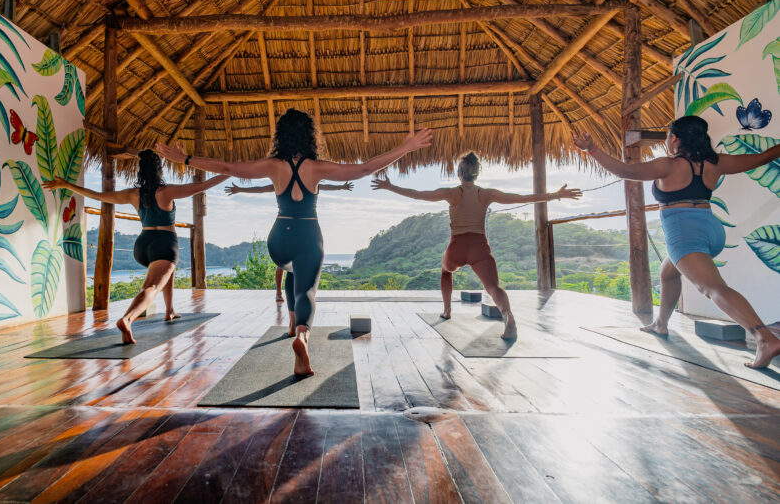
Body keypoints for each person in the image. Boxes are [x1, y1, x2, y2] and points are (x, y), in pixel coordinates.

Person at [155, 108, 432, 375]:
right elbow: (364, 169)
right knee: (306, 291)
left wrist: (186, 159)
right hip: (308, 236)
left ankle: (290, 324)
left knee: (290, 271)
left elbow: (228, 167)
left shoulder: (272, 166)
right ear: (310, 136)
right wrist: (404, 148)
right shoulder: (317, 167)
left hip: (279, 241)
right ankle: (302, 335)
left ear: (282, 136)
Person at [573, 116, 780, 368]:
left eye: (668, 137)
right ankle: (661, 323)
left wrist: (591, 149)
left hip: (684, 233)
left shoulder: (667, 166)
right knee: (669, 272)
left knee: (712, 288)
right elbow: (761, 158)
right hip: (711, 230)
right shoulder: (716, 162)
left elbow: (625, 171)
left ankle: (764, 338)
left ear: (675, 139)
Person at [372, 152, 582, 339]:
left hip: (457, 246)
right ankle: (507, 316)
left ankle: (447, 311)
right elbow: (521, 197)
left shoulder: (452, 193)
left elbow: (418, 195)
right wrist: (555, 195)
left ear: (459, 173)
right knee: (493, 287)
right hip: (480, 247)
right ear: (477, 173)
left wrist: (390, 187)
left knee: (446, 271)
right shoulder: (486, 194)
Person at [43, 149, 229, 345]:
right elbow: (203, 185)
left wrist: (66, 184)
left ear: (140, 171)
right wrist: (231, 172)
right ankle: (127, 319)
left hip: (143, 244)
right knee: (153, 286)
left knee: (166, 271)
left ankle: (170, 310)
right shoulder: (167, 191)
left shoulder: (133, 194)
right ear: (160, 170)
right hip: (164, 242)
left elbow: (99, 196)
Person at [224, 181, 354, 302]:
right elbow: (262, 189)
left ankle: (302, 295)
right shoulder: (283, 183)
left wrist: (341, 187)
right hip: (286, 226)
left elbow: (325, 186)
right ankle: (279, 293)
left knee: (302, 263)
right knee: (281, 265)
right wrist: (240, 189)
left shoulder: (309, 183)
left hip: (303, 228)